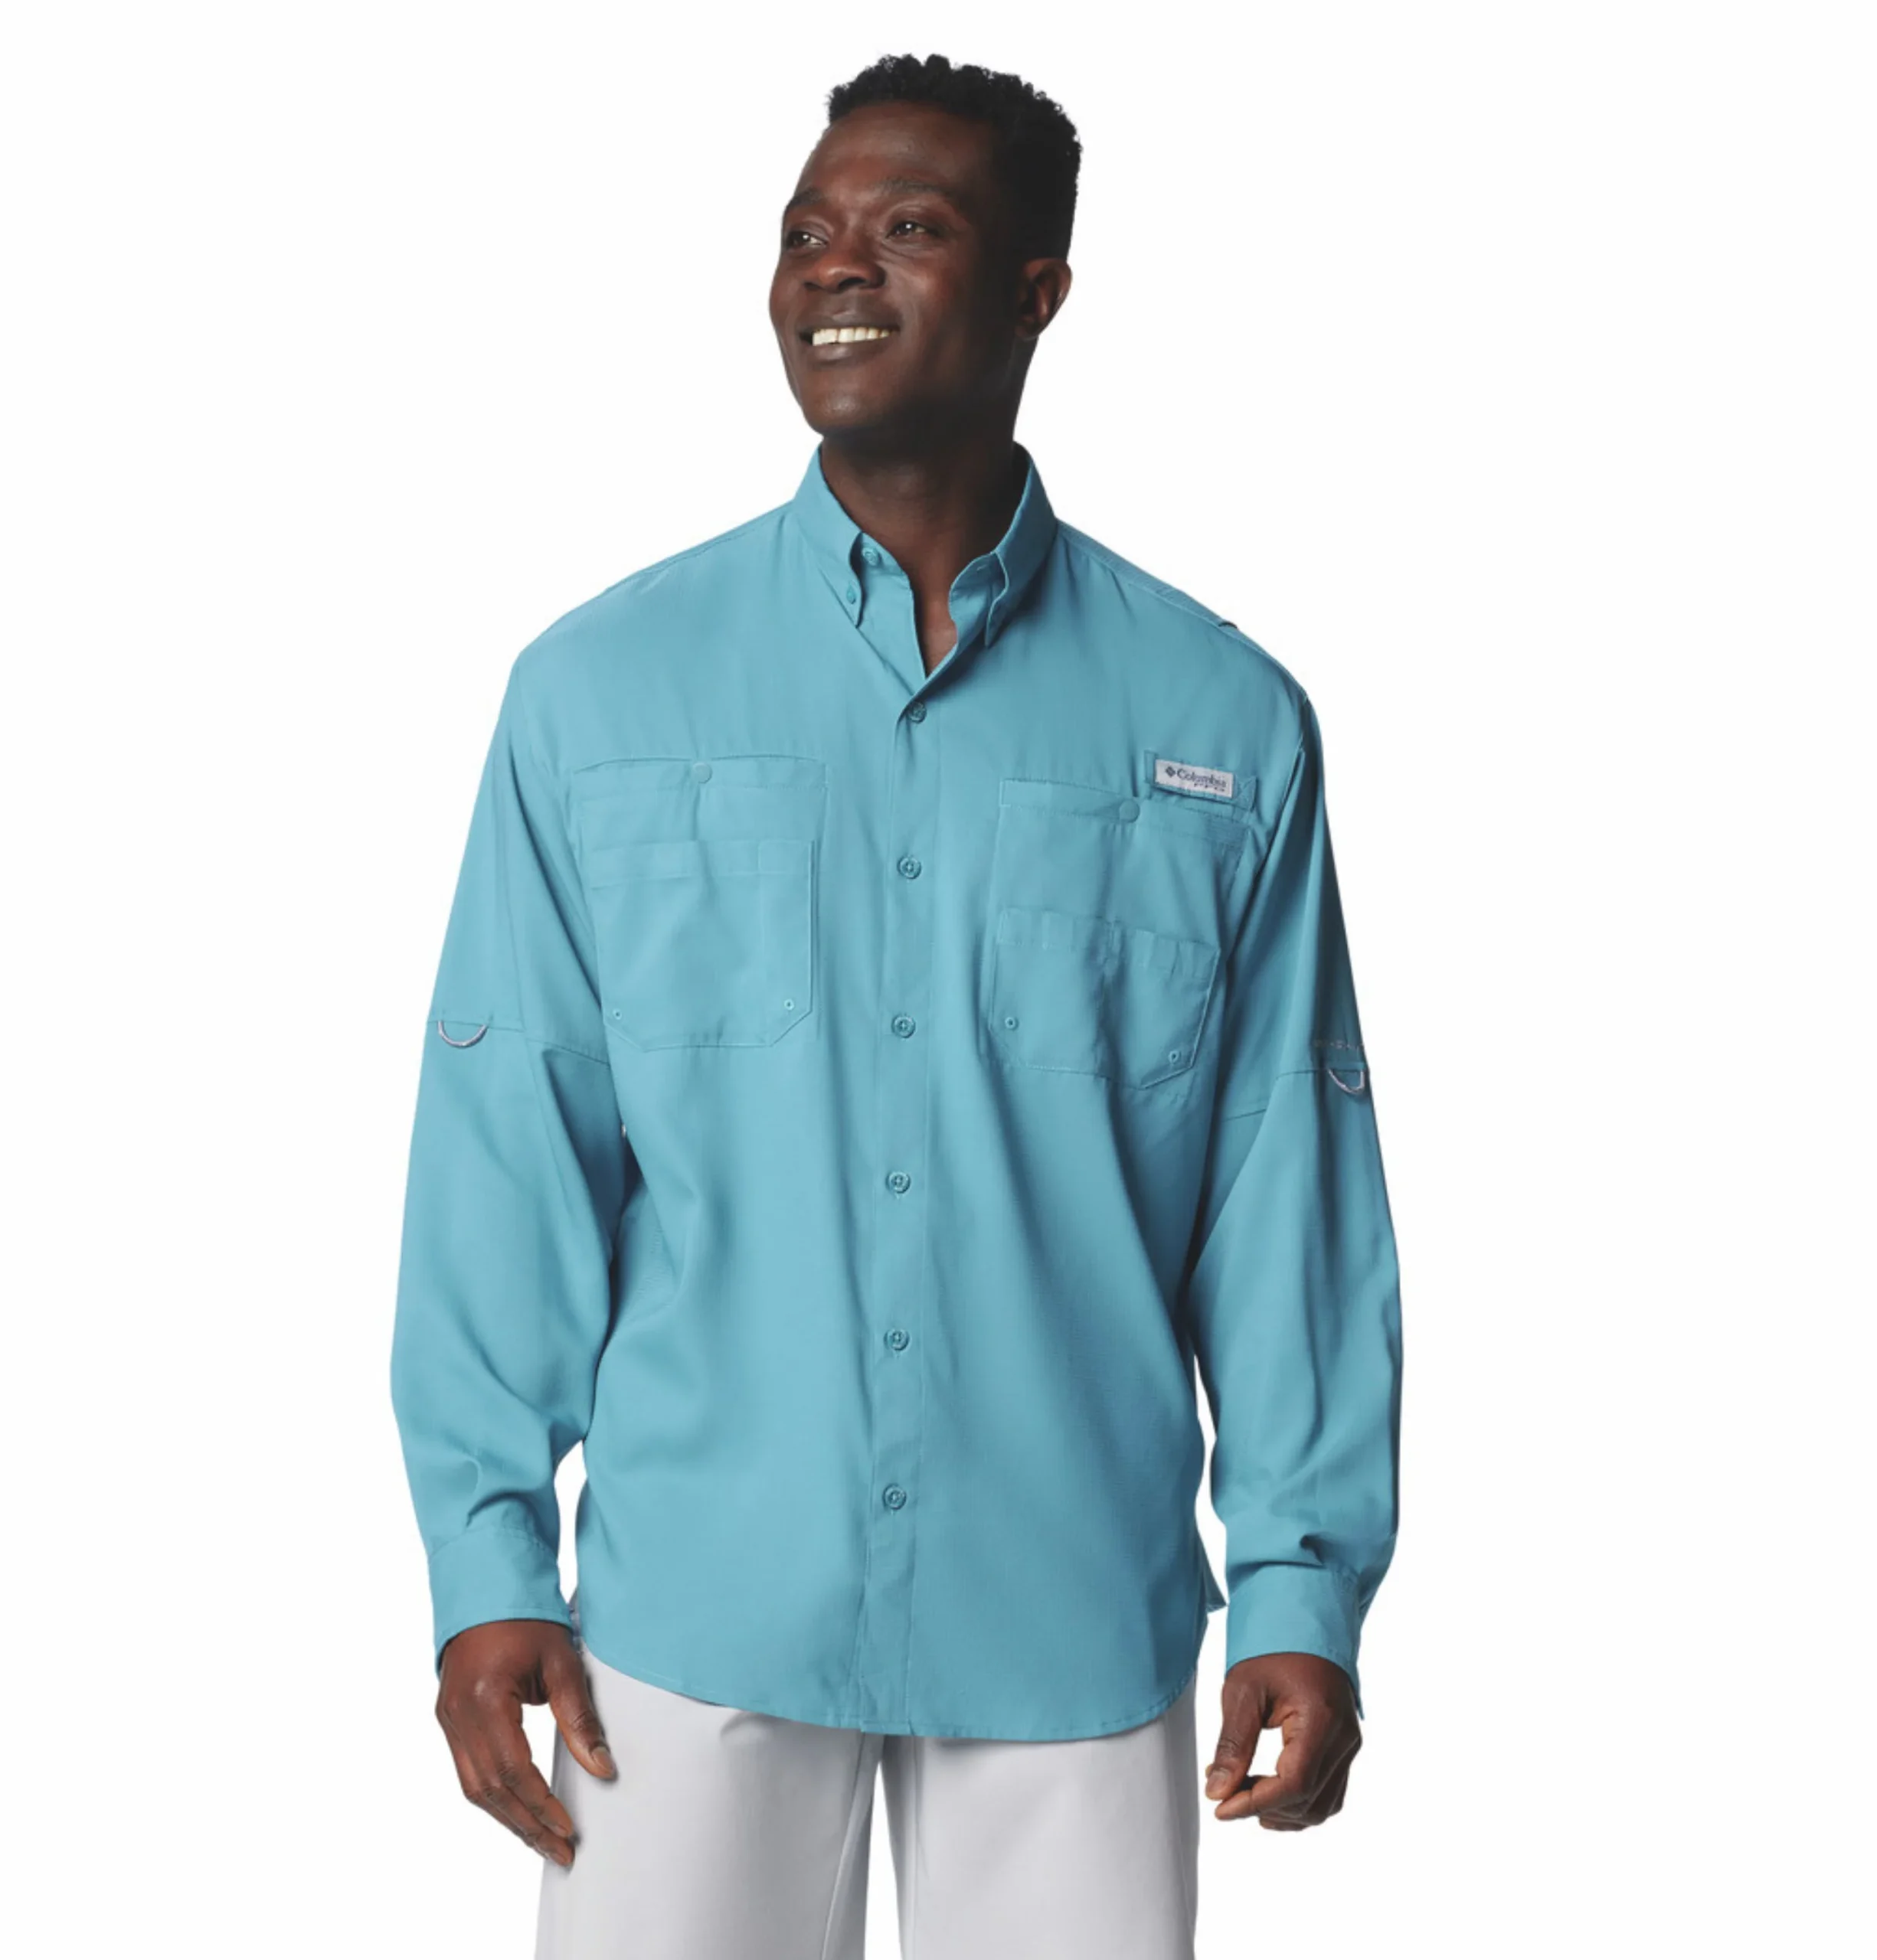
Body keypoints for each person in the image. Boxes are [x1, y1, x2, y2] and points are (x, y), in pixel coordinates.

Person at [390, 49, 1403, 1960]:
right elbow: (509, 1140)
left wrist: (1298, 1580)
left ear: (1036, 291)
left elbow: (1285, 1181)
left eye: (906, 226)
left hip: (1070, 1611)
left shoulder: (1222, 721)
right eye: (804, 231)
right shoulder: (596, 693)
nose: (834, 267)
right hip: (689, 1618)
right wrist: (485, 1554)